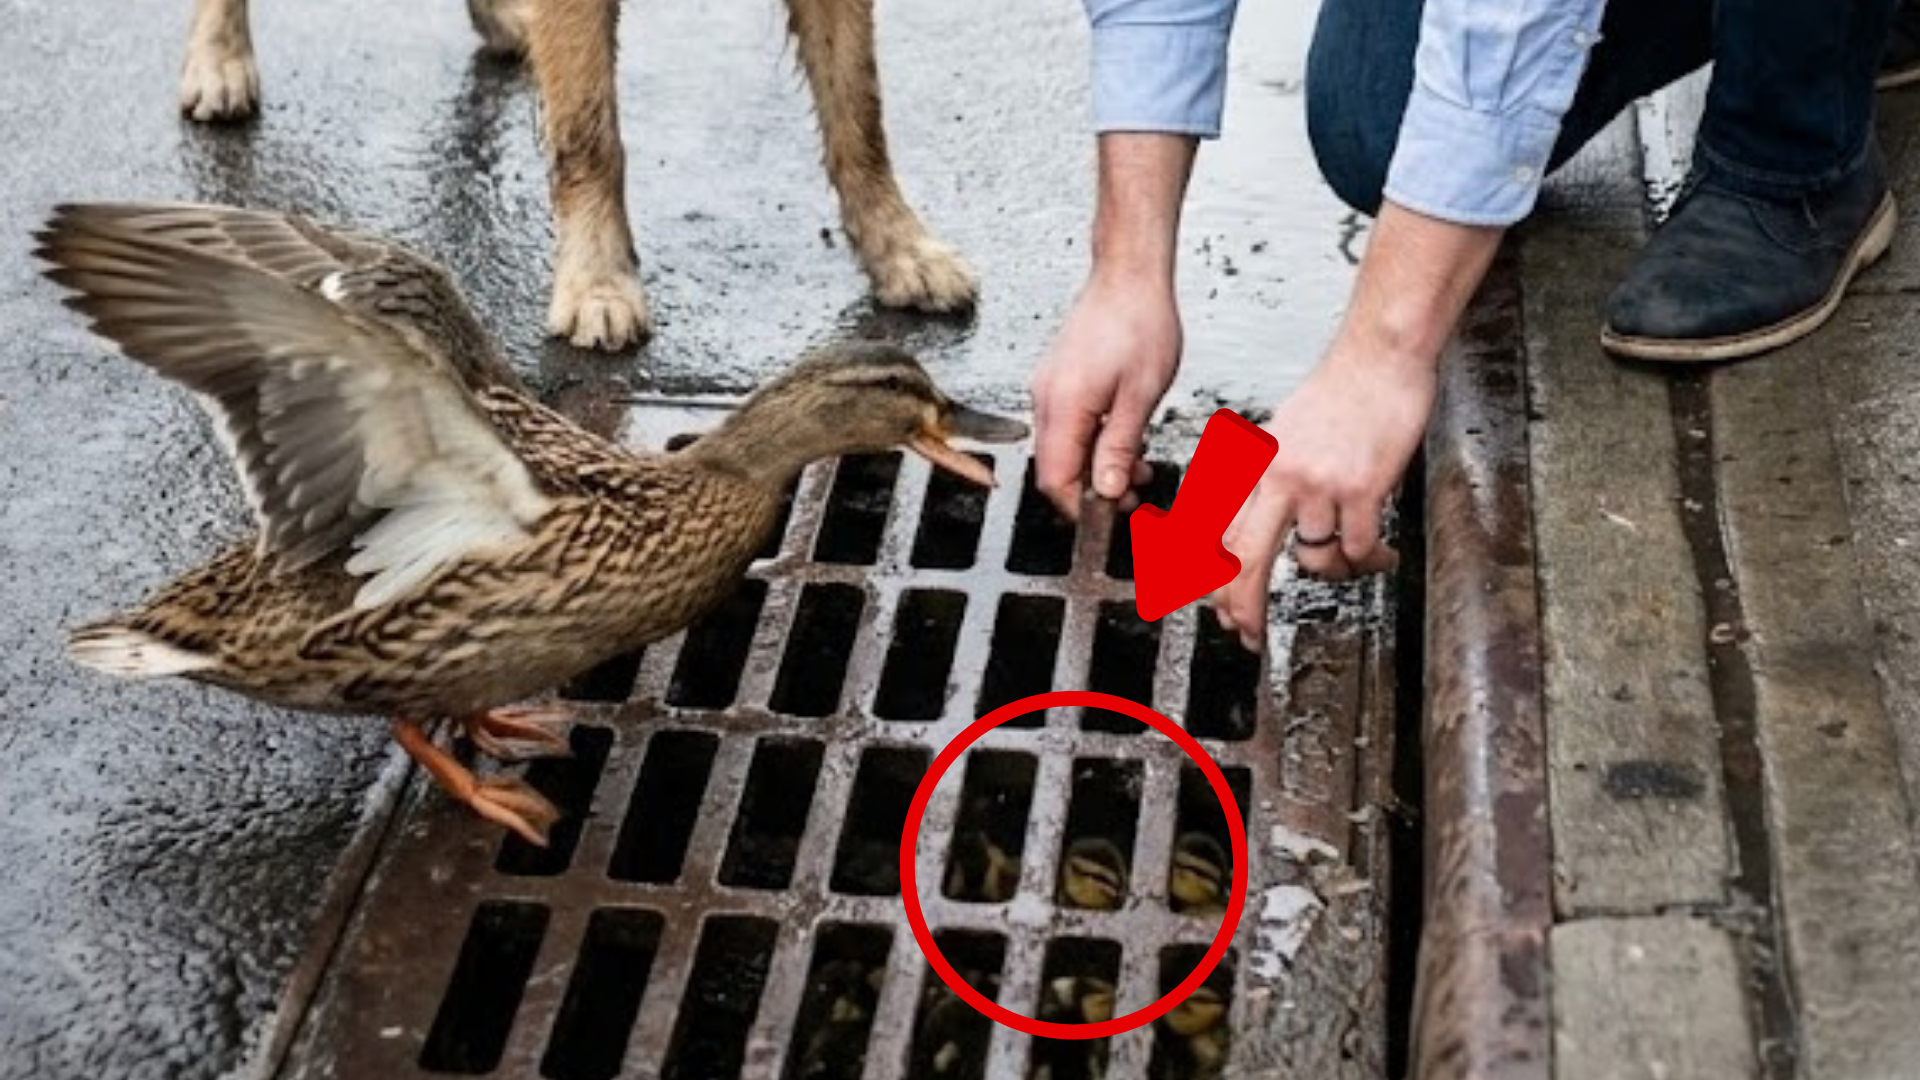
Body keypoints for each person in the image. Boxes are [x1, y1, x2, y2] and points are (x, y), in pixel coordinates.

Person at [1031, 0, 1908, 651]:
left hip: (1783, 141)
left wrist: (1383, 349)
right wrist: (1126, 266)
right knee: (1379, 125)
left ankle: (1795, 149)